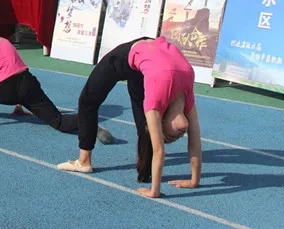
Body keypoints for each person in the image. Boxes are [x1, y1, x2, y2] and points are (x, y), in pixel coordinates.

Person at [56, 36, 202, 199]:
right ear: (162, 119)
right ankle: (88, 162)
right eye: (174, 136)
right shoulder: (159, 96)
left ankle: (90, 163)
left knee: (140, 121)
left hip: (150, 56)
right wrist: (157, 190)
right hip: (129, 56)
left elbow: (188, 143)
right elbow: (162, 148)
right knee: (89, 101)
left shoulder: (181, 94)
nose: (181, 134)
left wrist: (193, 181)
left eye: (175, 135)